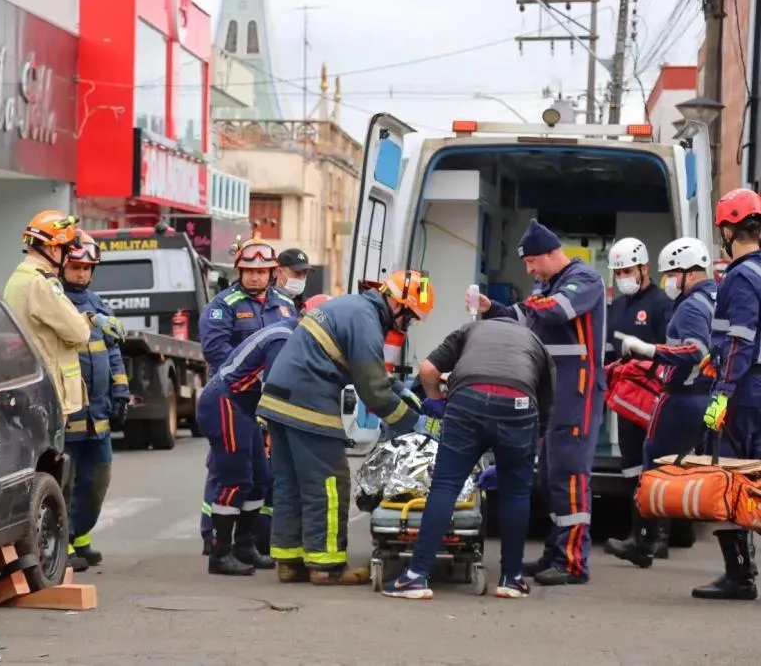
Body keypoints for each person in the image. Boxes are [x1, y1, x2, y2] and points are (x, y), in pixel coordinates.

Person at [257, 270, 435, 585]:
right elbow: (373, 391)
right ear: (397, 304)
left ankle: (289, 561)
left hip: (278, 400)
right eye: (409, 317)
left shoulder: (352, 308)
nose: (406, 326)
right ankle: (327, 567)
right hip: (308, 404)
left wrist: (398, 389)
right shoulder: (366, 321)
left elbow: (364, 369)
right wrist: (414, 423)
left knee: (291, 483)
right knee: (329, 484)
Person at [381, 317, 555, 600]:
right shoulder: (536, 344)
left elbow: (428, 370)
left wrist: (436, 401)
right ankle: (512, 579)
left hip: (467, 399)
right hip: (519, 403)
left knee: (445, 486)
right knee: (515, 493)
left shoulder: (471, 329)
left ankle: (415, 577)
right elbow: (545, 412)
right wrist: (517, 458)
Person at [474, 218, 606, 586]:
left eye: (532, 262)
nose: (529, 270)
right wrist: (490, 308)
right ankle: (555, 552)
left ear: (550, 254)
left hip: (577, 394)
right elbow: (523, 316)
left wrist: (531, 303)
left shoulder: (584, 279)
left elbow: (554, 311)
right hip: (553, 395)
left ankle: (573, 562)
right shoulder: (546, 286)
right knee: (549, 478)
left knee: (570, 474)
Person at [3, 211, 114, 574]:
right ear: (52, 248)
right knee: (54, 478)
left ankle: (52, 551)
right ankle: (53, 553)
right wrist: (89, 320)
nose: (68, 258)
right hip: (48, 395)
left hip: (36, 392)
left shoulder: (22, 279)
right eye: (66, 249)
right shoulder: (41, 285)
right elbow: (77, 333)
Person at [200, 294, 333, 576]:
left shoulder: (291, 334)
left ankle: (244, 546)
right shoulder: (284, 338)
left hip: (244, 405)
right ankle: (219, 553)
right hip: (226, 401)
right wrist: (276, 426)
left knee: (261, 478)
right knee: (235, 478)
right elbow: (274, 387)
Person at [609, 237, 715, 568]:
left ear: (688, 273)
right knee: (652, 463)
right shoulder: (712, 299)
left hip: (678, 394)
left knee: (656, 464)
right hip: (696, 394)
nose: (668, 280)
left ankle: (648, 540)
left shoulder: (688, 305)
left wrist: (649, 351)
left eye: (671, 274)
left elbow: (695, 350)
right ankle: (647, 538)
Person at [198, 238, 298, 554]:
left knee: (260, 473)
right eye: (249, 271)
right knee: (227, 470)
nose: (255, 277)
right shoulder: (223, 306)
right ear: (239, 271)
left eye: (261, 272)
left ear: (272, 273)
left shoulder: (285, 304)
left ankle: (249, 541)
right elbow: (217, 352)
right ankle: (214, 538)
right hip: (232, 397)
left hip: (267, 399)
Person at [699, 188, 761, 601]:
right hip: (753, 385)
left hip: (743, 392)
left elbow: (741, 338)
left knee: (728, 477)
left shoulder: (739, 277)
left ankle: (738, 575)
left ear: (727, 230)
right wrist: (716, 357)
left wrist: (721, 391)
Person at [61, 233, 131, 570]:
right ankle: (62, 543)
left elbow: (113, 352)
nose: (81, 273)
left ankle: (82, 538)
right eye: (75, 266)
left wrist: (121, 393)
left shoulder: (98, 303)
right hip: (69, 413)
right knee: (66, 481)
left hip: (98, 413)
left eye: (87, 268)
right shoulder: (56, 302)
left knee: (97, 480)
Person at [603, 237, 673, 555]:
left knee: (655, 465)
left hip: (655, 395)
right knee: (631, 465)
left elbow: (670, 349)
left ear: (644, 268)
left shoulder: (661, 303)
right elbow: (609, 350)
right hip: (626, 397)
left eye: (627, 271)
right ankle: (639, 534)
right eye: (618, 273)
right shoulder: (617, 307)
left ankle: (656, 537)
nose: (623, 278)